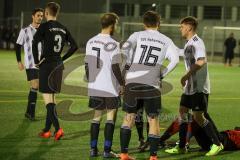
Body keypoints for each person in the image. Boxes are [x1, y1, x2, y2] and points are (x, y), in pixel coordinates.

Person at [120, 11, 179, 160]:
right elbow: (175, 60)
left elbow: (124, 49)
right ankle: (153, 156)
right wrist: (162, 73)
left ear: (144, 23)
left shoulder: (136, 35)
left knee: (129, 117)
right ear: (159, 23)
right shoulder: (166, 40)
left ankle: (124, 154)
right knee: (153, 119)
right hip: (152, 81)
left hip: (133, 78)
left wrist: (130, 63)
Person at [165, 16, 224, 156]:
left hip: (199, 87)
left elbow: (201, 61)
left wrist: (186, 75)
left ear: (189, 27)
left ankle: (217, 144)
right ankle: (181, 146)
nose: (180, 29)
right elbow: (183, 53)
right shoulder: (189, 43)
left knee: (199, 117)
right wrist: (169, 47)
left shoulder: (197, 42)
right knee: (183, 113)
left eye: (182, 26)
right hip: (190, 88)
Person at [32, 2, 78, 140]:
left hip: (47, 66)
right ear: (57, 13)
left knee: (48, 100)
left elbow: (34, 43)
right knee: (52, 99)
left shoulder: (44, 26)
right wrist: (62, 58)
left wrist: (36, 61)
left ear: (46, 13)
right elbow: (74, 46)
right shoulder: (63, 28)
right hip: (58, 66)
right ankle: (47, 130)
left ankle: (58, 129)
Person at [85, 12, 123, 158]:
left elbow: (87, 66)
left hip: (96, 86)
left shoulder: (90, 41)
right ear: (112, 25)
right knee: (110, 118)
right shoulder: (113, 44)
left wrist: (92, 81)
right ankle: (107, 151)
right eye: (117, 24)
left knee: (96, 117)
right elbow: (115, 67)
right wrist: (122, 84)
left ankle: (93, 149)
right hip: (110, 86)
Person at [15, 8, 44, 120]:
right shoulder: (25, 30)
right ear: (33, 16)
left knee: (35, 87)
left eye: (42, 16)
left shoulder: (44, 30)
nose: (40, 18)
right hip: (31, 64)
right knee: (35, 85)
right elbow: (18, 46)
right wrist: (19, 62)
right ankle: (31, 113)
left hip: (42, 64)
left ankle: (28, 112)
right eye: (38, 15)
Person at [160, 114, 240, 151]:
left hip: (221, 142)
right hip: (219, 137)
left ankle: (182, 145)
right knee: (186, 116)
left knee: (197, 116)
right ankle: (161, 140)